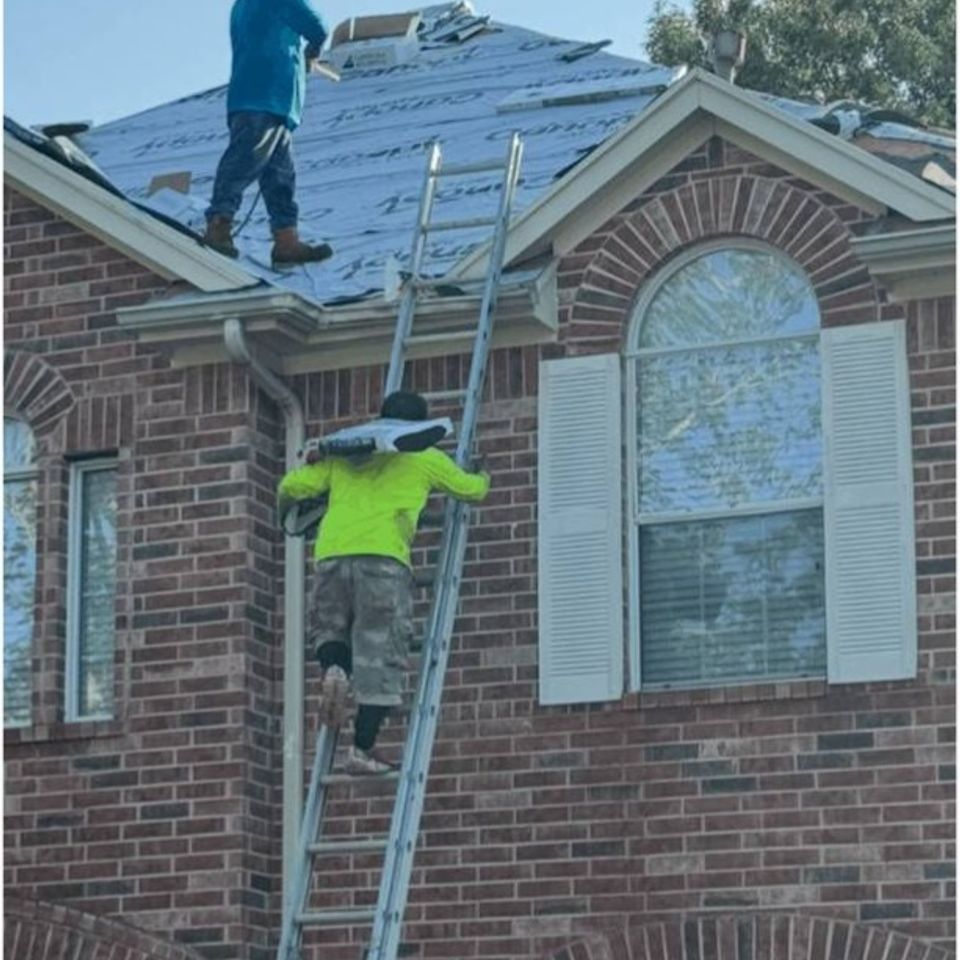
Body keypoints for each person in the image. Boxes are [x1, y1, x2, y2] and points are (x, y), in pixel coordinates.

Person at [277, 391, 491, 775]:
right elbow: (471, 491)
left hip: (331, 554)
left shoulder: (344, 456)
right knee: (380, 654)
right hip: (384, 559)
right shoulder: (423, 456)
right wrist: (484, 471)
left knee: (330, 628)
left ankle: (333, 670)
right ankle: (362, 747)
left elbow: (292, 487)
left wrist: (313, 465)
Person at [203, 0, 334, 268]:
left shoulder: (243, 5)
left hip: (266, 100)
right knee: (245, 160)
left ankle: (286, 239)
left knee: (279, 175)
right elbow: (317, 26)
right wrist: (313, 50)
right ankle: (219, 223)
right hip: (266, 94)